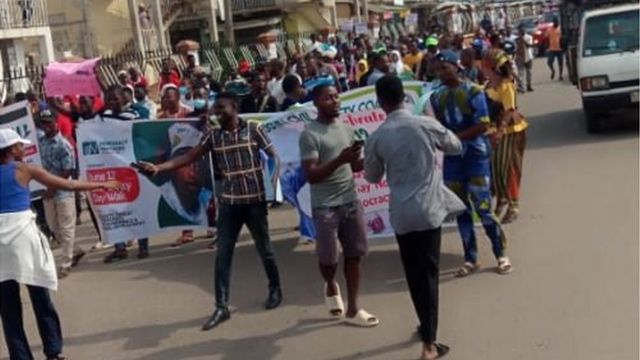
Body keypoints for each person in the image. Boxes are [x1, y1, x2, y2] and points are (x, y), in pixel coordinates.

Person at [137, 92, 283, 331]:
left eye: (221, 108)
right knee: (223, 255)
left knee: (265, 249)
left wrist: (274, 183)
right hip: (229, 204)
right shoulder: (213, 136)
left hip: (254, 203)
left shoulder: (254, 129)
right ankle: (221, 306)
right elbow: (189, 156)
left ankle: (275, 289)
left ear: (234, 107)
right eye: (215, 109)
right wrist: (158, 167)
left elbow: (274, 156)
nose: (216, 112)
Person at [364, 75, 461, 360]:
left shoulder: (378, 136)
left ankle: (425, 328)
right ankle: (429, 344)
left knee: (414, 275)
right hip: (428, 211)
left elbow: (371, 176)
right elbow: (455, 146)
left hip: (402, 214)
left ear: (380, 102)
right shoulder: (425, 124)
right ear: (404, 96)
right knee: (429, 275)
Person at [0, 128, 118, 360]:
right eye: (20, 146)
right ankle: (53, 352)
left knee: (8, 308)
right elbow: (69, 185)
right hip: (24, 239)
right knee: (40, 296)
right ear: (12, 150)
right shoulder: (25, 169)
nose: (24, 149)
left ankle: (21, 356)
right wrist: (100, 185)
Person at [299, 84, 379, 327]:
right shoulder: (310, 134)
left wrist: (373, 158)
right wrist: (340, 159)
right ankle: (331, 283)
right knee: (329, 258)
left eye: (336, 96)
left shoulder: (347, 129)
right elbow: (311, 174)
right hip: (325, 205)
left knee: (354, 254)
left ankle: (354, 309)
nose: (334, 101)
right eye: (327, 98)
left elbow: (353, 166)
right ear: (316, 103)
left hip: (350, 200)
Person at [430, 50, 512, 277]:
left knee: (484, 208)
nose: (441, 72)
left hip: (475, 156)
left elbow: (483, 125)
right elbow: (439, 126)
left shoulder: (474, 91)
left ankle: (501, 254)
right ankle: (470, 258)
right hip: (453, 161)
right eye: (437, 69)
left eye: (444, 67)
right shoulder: (437, 97)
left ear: (456, 66)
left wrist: (453, 139)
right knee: (461, 210)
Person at [100, 86, 150, 262]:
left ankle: (143, 246)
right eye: (109, 99)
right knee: (113, 206)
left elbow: (139, 136)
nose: (112, 102)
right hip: (111, 167)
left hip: (131, 165)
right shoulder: (103, 117)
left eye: (115, 98)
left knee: (137, 205)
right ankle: (119, 247)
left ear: (123, 98)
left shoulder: (133, 116)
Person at [37, 109, 85, 279]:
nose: (47, 126)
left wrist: (52, 186)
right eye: (44, 123)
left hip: (63, 191)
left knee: (66, 227)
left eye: (49, 122)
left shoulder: (64, 145)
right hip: (47, 191)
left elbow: (67, 170)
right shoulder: (40, 142)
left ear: (56, 122)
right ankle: (75, 250)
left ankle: (66, 263)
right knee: (52, 226)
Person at [483, 50, 528, 223]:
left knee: (509, 169)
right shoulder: (488, 84)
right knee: (496, 169)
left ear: (490, 66)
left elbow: (510, 110)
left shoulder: (506, 85)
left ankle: (513, 205)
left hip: (511, 131)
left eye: (484, 63)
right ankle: (502, 201)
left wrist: (500, 132)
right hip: (493, 131)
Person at [515, 25, 534, 92]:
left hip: (529, 57)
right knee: (521, 73)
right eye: (520, 30)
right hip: (520, 58)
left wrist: (522, 40)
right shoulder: (516, 39)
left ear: (524, 30)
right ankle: (522, 87)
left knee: (529, 72)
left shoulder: (529, 37)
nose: (521, 31)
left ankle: (529, 85)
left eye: (522, 30)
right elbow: (516, 49)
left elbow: (529, 46)